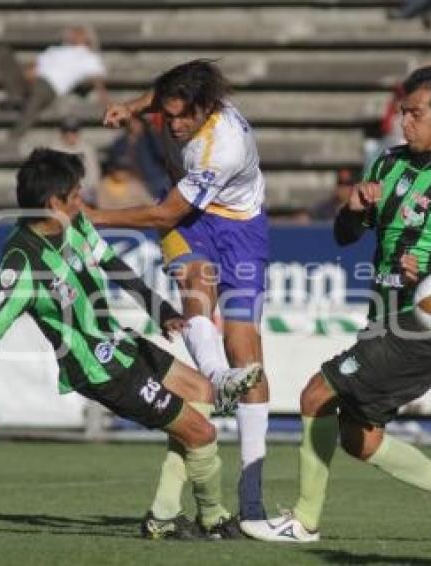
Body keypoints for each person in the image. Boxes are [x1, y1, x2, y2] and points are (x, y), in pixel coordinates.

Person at [241, 65, 431, 545]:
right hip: (380, 322)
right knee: (359, 438)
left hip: (418, 331)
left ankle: (304, 522)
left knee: (316, 393)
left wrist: (430, 281)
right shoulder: (387, 163)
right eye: (403, 112)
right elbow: (344, 236)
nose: (405, 122)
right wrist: (354, 209)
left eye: (415, 114)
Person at [0, 148, 258, 540]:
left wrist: (161, 310)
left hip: (119, 345)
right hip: (98, 369)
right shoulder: (22, 263)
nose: (83, 201)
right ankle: (214, 518)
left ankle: (163, 515)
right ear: (52, 203)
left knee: (203, 393)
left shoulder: (74, 223)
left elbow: (113, 265)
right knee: (202, 433)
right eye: (76, 194)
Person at [90, 59, 272, 531]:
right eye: (166, 115)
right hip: (192, 222)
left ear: (206, 108)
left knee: (245, 351)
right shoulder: (180, 104)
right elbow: (160, 97)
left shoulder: (223, 148)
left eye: (181, 117)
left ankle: (251, 500)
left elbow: (159, 213)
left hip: (240, 230)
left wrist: (93, 215)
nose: (172, 125)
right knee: (196, 286)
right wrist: (130, 107)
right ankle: (215, 376)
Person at [0, 25, 109, 144]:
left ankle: (15, 134)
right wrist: (29, 72)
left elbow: (98, 80)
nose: (72, 35)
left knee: (36, 98)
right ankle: (17, 96)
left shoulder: (89, 57)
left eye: (77, 33)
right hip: (34, 80)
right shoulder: (56, 50)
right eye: (73, 32)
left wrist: (106, 103)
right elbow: (34, 65)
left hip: (50, 85)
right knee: (5, 55)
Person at [48, 116, 101, 203]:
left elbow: (94, 174)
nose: (70, 134)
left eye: (73, 131)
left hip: (84, 193)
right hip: (61, 193)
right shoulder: (53, 149)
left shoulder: (87, 148)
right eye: (67, 131)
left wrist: (82, 191)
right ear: (62, 132)